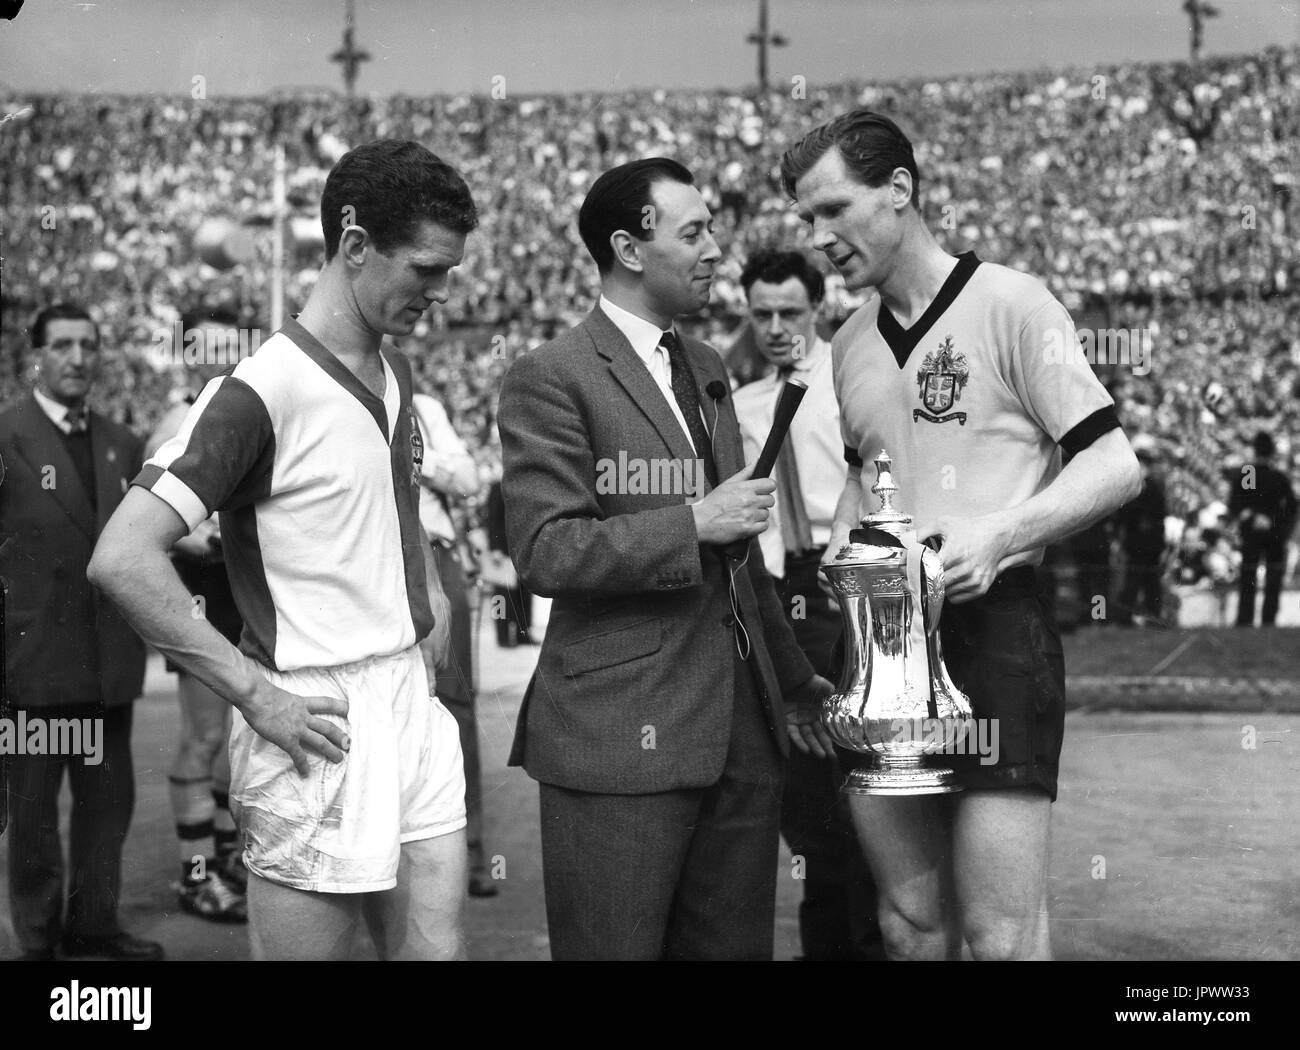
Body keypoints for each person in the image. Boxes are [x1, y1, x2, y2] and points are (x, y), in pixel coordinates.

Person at [88, 140, 476, 960]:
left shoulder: (395, 365)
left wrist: (430, 596)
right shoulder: (259, 388)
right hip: (312, 714)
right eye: (425, 269)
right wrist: (254, 695)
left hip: (409, 698)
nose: (440, 294)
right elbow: (123, 557)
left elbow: (392, 498)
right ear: (355, 244)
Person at [781, 110, 1141, 960]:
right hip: (879, 646)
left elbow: (1114, 465)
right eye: (807, 220)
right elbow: (867, 480)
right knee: (910, 927)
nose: (820, 238)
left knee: (997, 935)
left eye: (834, 209)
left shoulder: (1014, 303)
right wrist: (841, 543)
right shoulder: (849, 343)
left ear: (899, 189)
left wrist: (1001, 533)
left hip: (992, 632)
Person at [497, 157, 836, 961]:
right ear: (629, 248)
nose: (717, 248)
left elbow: (739, 554)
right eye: (696, 232)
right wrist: (693, 521)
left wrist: (791, 681)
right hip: (621, 736)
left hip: (740, 734)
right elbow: (545, 550)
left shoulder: (709, 366)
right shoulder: (551, 376)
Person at [731, 248, 881, 960]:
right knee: (809, 799)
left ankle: (871, 942)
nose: (777, 326)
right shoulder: (744, 403)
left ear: (819, 306)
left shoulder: (852, 382)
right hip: (776, 596)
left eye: (791, 311)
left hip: (845, 585)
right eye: (761, 314)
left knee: (868, 792)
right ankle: (827, 945)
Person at [0, 303, 163, 961]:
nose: (76, 357)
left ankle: (95, 929)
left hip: (106, 667)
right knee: (34, 821)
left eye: (88, 345)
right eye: (62, 345)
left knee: (106, 811)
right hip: (30, 671)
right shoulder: (6, 435)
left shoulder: (124, 442)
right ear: (33, 356)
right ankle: (38, 944)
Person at [145, 310, 250, 924]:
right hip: (202, 593)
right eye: (206, 347)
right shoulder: (174, 419)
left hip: (241, 594)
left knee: (234, 739)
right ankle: (194, 875)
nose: (217, 357)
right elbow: (145, 519)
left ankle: (227, 859)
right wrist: (204, 539)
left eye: (228, 346)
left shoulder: (241, 408)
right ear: (187, 352)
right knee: (204, 735)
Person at [411, 390, 497, 898]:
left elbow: (466, 480)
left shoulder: (423, 405)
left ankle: (468, 848)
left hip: (437, 559)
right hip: (367, 555)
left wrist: (413, 451)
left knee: (454, 700)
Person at [1230, 431, 1297, 627]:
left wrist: (1253, 515)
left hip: (1252, 532)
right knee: (1273, 576)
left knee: (1249, 575)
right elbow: (1290, 508)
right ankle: (1268, 619)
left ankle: (1245, 619)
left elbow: (1241, 501)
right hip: (1274, 532)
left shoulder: (1249, 472)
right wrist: (1273, 521)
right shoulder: (1278, 477)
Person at [1116, 444, 1169, 626]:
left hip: (1149, 544)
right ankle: (1126, 619)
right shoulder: (1132, 487)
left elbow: (1159, 516)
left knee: (1150, 583)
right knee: (1133, 582)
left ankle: (1152, 617)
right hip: (1136, 544)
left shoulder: (1154, 487)